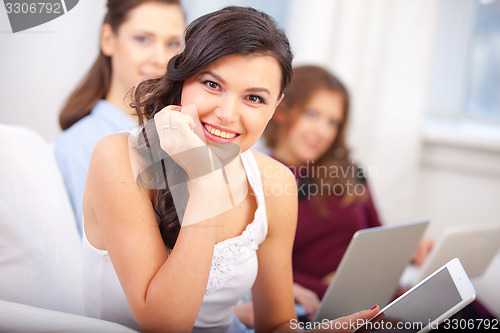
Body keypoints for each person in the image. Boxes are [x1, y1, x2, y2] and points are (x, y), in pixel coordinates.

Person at [82, 7, 379, 333]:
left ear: (276, 107)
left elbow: (277, 324)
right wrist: (207, 184)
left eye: (254, 98)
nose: (227, 113)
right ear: (183, 79)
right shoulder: (118, 158)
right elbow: (164, 324)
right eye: (212, 84)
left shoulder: (272, 181)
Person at [236, 65, 434, 325]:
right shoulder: (261, 178)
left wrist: (409, 248)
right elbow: (260, 268)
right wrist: (326, 286)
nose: (322, 131)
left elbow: (379, 236)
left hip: (376, 294)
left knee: (464, 309)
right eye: (312, 114)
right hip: (322, 305)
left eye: (333, 122)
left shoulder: (350, 173)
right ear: (282, 111)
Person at [54, 0, 185, 235]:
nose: (160, 58)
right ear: (108, 39)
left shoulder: (181, 132)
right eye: (143, 39)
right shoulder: (79, 143)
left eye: (172, 43)